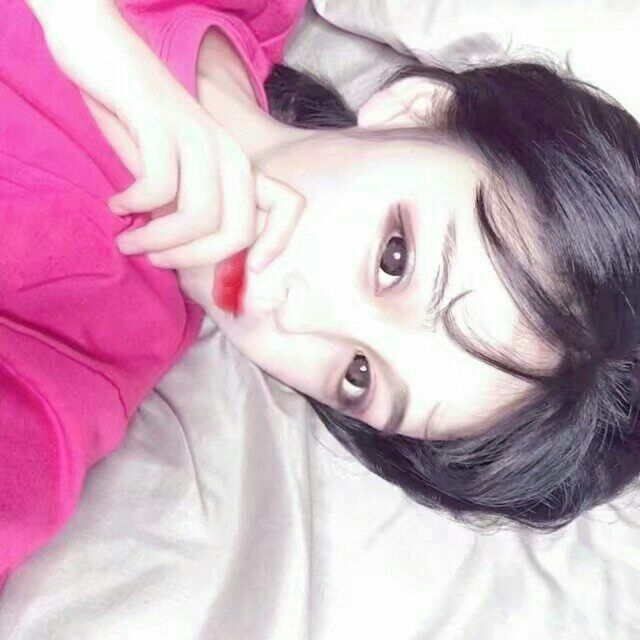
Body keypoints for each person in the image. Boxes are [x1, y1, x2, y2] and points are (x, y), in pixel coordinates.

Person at [3, 0, 640, 589]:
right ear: (416, 109)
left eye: (358, 375)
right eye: (395, 260)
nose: (298, 316)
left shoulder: (70, 358)